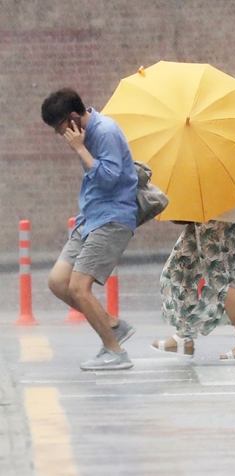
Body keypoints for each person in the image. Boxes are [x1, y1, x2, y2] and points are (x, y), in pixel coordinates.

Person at [41, 88, 138, 371]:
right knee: (58, 282)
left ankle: (114, 351)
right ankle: (113, 326)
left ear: (73, 118)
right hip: (90, 217)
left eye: (61, 129)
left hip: (112, 218)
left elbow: (109, 179)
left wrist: (81, 149)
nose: (62, 136)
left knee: (79, 288)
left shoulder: (104, 131)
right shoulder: (84, 132)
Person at [150, 206, 235, 362]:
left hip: (219, 210)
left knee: (220, 276)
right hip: (202, 212)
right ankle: (184, 335)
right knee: (179, 267)